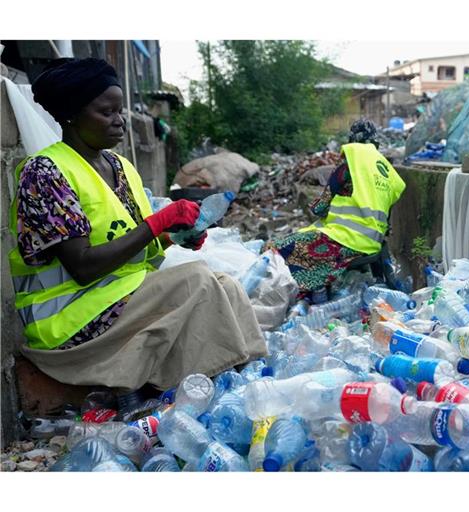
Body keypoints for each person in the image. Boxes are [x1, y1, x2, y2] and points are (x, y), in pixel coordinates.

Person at [7, 58, 266, 392]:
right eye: (106, 112)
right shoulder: (44, 173)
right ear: (71, 115)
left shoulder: (120, 166)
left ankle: (249, 381)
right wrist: (158, 222)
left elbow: (135, 247)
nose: (120, 121)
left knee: (226, 285)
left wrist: (176, 237)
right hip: (68, 320)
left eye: (120, 111)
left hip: (118, 299)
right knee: (196, 280)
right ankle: (205, 391)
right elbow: (83, 267)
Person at [268, 119, 406, 298]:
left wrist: (314, 206)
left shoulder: (349, 167)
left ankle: (307, 295)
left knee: (279, 247)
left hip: (347, 240)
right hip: (374, 241)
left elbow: (321, 207)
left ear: (352, 139)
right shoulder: (387, 171)